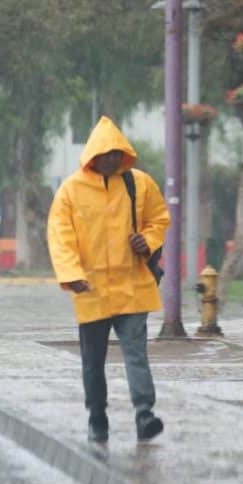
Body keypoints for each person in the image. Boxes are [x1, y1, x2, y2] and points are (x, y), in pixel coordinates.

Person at [47, 116, 171, 444]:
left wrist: (149, 239)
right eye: (107, 153)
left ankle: (145, 413)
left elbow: (159, 218)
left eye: (118, 153)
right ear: (93, 156)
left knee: (136, 353)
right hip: (92, 290)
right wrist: (71, 275)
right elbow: (61, 237)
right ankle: (97, 418)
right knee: (93, 361)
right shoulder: (71, 191)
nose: (113, 159)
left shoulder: (139, 183)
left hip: (133, 286)